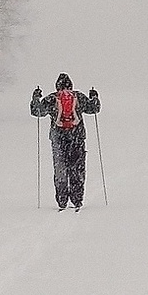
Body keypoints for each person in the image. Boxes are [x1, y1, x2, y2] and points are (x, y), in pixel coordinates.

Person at [31, 73, 100, 210]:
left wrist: (36, 97)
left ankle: (62, 201)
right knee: (77, 169)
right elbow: (94, 109)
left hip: (58, 139)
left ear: (57, 86)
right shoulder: (78, 97)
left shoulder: (52, 98)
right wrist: (94, 96)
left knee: (60, 170)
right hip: (77, 138)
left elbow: (37, 111)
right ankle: (77, 200)